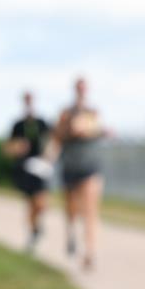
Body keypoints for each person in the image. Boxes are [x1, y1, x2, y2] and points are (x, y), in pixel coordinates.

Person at [52, 78, 105, 271]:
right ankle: (71, 234)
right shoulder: (65, 113)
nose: (82, 91)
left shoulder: (93, 113)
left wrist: (98, 131)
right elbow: (56, 136)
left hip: (90, 167)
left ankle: (90, 252)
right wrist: (70, 130)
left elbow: (98, 132)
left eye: (84, 88)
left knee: (90, 211)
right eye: (79, 88)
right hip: (70, 167)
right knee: (71, 209)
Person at [5, 91, 51, 254]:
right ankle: (33, 232)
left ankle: (35, 226)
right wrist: (18, 148)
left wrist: (49, 155)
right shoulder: (17, 125)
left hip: (40, 167)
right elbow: (8, 149)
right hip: (24, 168)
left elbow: (53, 142)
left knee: (41, 203)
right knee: (30, 202)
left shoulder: (42, 123)